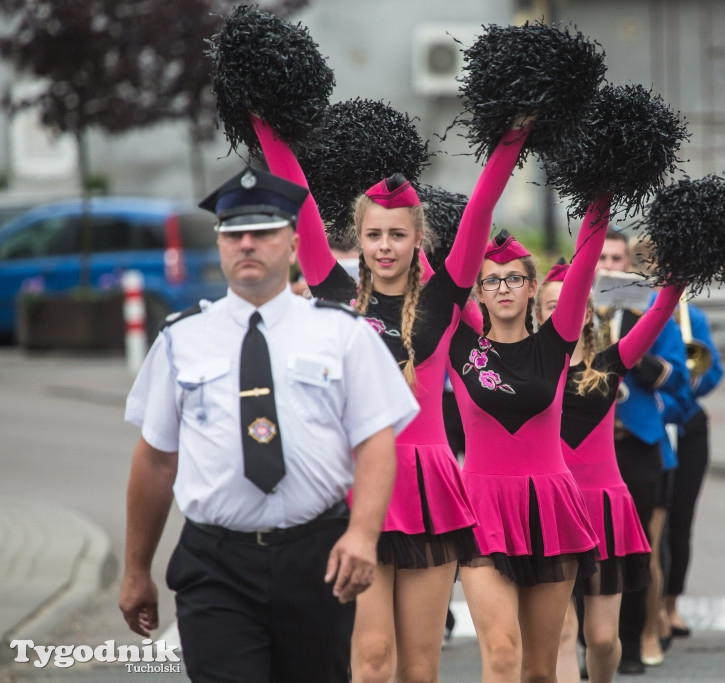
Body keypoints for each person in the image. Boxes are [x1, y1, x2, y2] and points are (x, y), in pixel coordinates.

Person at [252, 114, 534, 682]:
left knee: (419, 669)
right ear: (359, 238)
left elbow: (479, 211)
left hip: (429, 487)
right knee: (372, 661)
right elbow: (300, 196)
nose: (385, 247)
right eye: (374, 235)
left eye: (398, 235)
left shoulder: (446, 294)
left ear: (417, 240)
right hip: (355, 487)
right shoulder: (332, 289)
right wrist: (262, 117)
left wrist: (514, 133)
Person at [118, 167, 419, 682]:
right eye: (234, 234)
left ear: (294, 243)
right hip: (215, 562)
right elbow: (156, 458)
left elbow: (375, 443)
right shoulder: (180, 339)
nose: (248, 244)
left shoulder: (341, 334)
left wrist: (364, 535)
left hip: (316, 557)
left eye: (263, 232)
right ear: (220, 246)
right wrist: (135, 569)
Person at [447, 204, 607, 682]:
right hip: (482, 507)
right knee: (500, 653)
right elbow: (442, 267)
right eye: (491, 280)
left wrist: (602, 190)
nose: (503, 288)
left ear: (532, 287)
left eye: (514, 278)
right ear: (478, 292)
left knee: (540, 670)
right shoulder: (462, 344)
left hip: (549, 507)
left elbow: (586, 260)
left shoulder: (556, 339)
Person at [541, 258, 685, 683]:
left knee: (602, 638)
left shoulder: (610, 361)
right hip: (552, 506)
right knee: (564, 631)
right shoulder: (532, 368)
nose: (560, 313)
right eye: (550, 306)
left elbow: (658, 316)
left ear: (586, 312)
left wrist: (681, 271)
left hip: (603, 506)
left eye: (568, 305)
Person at [595, 229, 689, 674]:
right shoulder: (571, 313)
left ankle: (640, 636)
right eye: (602, 258)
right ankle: (593, 641)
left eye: (617, 259)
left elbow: (677, 383)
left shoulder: (650, 318)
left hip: (638, 444)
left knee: (641, 551)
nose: (609, 268)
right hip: (589, 449)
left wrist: (629, 348)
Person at [659, 300, 725, 644]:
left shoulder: (692, 317)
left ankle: (671, 604)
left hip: (686, 425)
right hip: (648, 422)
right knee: (654, 525)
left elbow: (713, 369)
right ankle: (649, 608)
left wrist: (686, 383)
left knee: (680, 523)